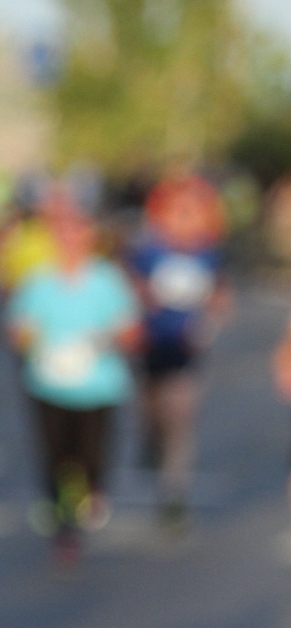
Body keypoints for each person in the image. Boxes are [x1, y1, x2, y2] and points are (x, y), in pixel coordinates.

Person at [7, 188, 141, 566]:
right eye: (63, 233)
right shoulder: (38, 281)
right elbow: (18, 330)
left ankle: (88, 495)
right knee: (56, 454)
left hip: (97, 384)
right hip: (49, 382)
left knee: (90, 455)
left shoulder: (107, 280)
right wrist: (34, 342)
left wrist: (101, 340)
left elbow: (131, 332)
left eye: (77, 232)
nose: (70, 240)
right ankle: (65, 524)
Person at [127, 173, 230, 530]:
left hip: (185, 352)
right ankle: (150, 441)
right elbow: (131, 287)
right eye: (179, 211)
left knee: (181, 419)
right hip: (151, 346)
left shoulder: (209, 255)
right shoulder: (149, 251)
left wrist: (206, 328)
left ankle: (174, 493)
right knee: (152, 411)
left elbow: (220, 298)